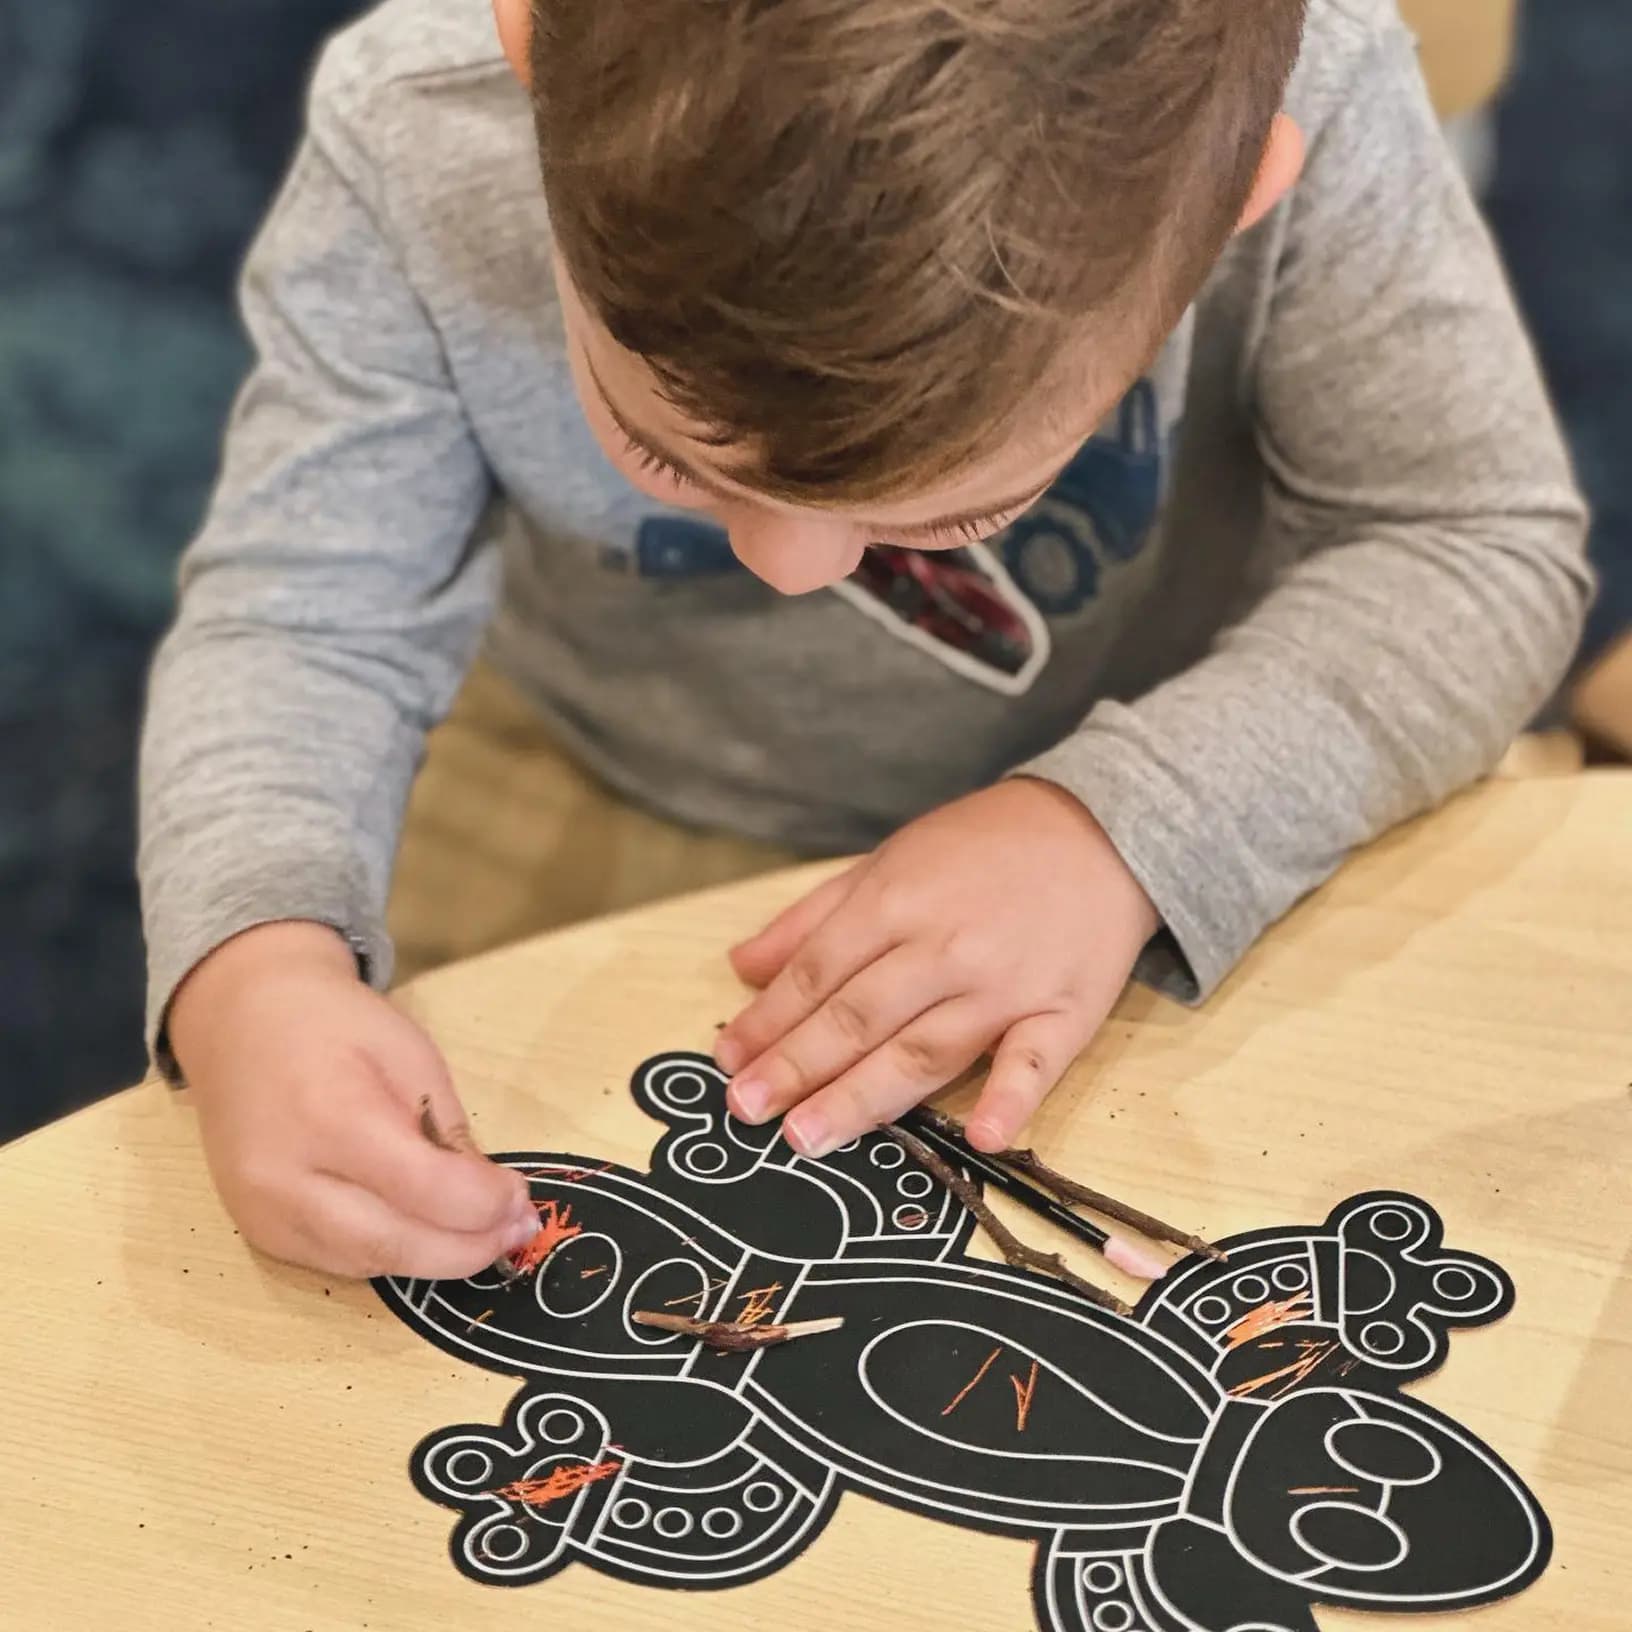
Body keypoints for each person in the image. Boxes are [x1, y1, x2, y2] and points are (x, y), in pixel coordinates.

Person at [140, 0, 1589, 1280]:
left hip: (1160, 768)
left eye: (962, 514)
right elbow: (302, 614)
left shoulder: (1310, 95)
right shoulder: (418, 132)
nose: (789, 568)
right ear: (527, 43)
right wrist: (257, 966)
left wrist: (1123, 828)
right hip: (599, 756)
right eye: (665, 455)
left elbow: (1468, 539)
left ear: (1241, 209)